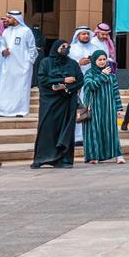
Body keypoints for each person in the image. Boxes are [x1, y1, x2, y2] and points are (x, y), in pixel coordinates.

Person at [30, 40, 83, 168]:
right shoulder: (46, 62)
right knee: (46, 128)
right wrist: (62, 81)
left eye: (67, 46)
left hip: (67, 101)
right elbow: (42, 79)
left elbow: (80, 80)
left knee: (65, 129)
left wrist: (65, 88)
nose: (66, 48)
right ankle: (41, 158)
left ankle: (63, 159)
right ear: (56, 47)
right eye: (63, 46)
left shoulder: (73, 63)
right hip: (50, 102)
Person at [81, 50, 124, 164]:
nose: (102, 62)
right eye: (99, 60)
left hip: (109, 108)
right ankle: (94, 156)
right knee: (94, 131)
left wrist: (119, 108)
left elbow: (115, 92)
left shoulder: (112, 75)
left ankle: (118, 155)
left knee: (111, 131)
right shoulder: (89, 73)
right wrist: (102, 75)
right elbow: (91, 86)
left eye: (104, 59)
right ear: (94, 61)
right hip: (94, 108)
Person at [0, 11, 38, 118]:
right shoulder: (6, 32)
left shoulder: (26, 31)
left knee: (20, 88)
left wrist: (29, 62)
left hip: (23, 66)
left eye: (9, 18)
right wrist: (3, 51)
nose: (6, 20)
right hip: (8, 65)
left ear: (16, 19)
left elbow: (33, 49)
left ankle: (20, 111)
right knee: (5, 87)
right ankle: (2, 110)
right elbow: (3, 45)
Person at [68, 26, 104, 143]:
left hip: (93, 84)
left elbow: (103, 64)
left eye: (87, 34)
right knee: (79, 110)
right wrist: (79, 63)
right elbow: (66, 66)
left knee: (93, 109)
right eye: (83, 34)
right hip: (77, 85)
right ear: (77, 35)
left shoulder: (95, 48)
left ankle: (92, 136)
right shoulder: (71, 49)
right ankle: (78, 137)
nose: (86, 36)